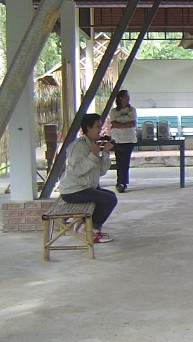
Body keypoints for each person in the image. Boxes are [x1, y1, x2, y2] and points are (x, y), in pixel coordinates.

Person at [58, 113, 117, 243]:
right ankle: (89, 231)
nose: (100, 130)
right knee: (109, 200)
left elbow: (100, 172)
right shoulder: (79, 146)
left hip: (85, 187)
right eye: (97, 126)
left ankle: (85, 226)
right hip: (73, 190)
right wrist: (92, 155)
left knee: (110, 196)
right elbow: (76, 171)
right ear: (88, 128)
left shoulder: (92, 144)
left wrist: (105, 153)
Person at [109, 89, 137, 193]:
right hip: (117, 140)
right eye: (126, 97)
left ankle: (122, 183)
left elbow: (132, 123)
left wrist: (119, 124)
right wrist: (125, 124)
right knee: (119, 162)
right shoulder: (114, 111)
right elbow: (113, 124)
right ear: (120, 98)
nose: (128, 99)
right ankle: (120, 181)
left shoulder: (132, 110)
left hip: (129, 140)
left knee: (125, 162)